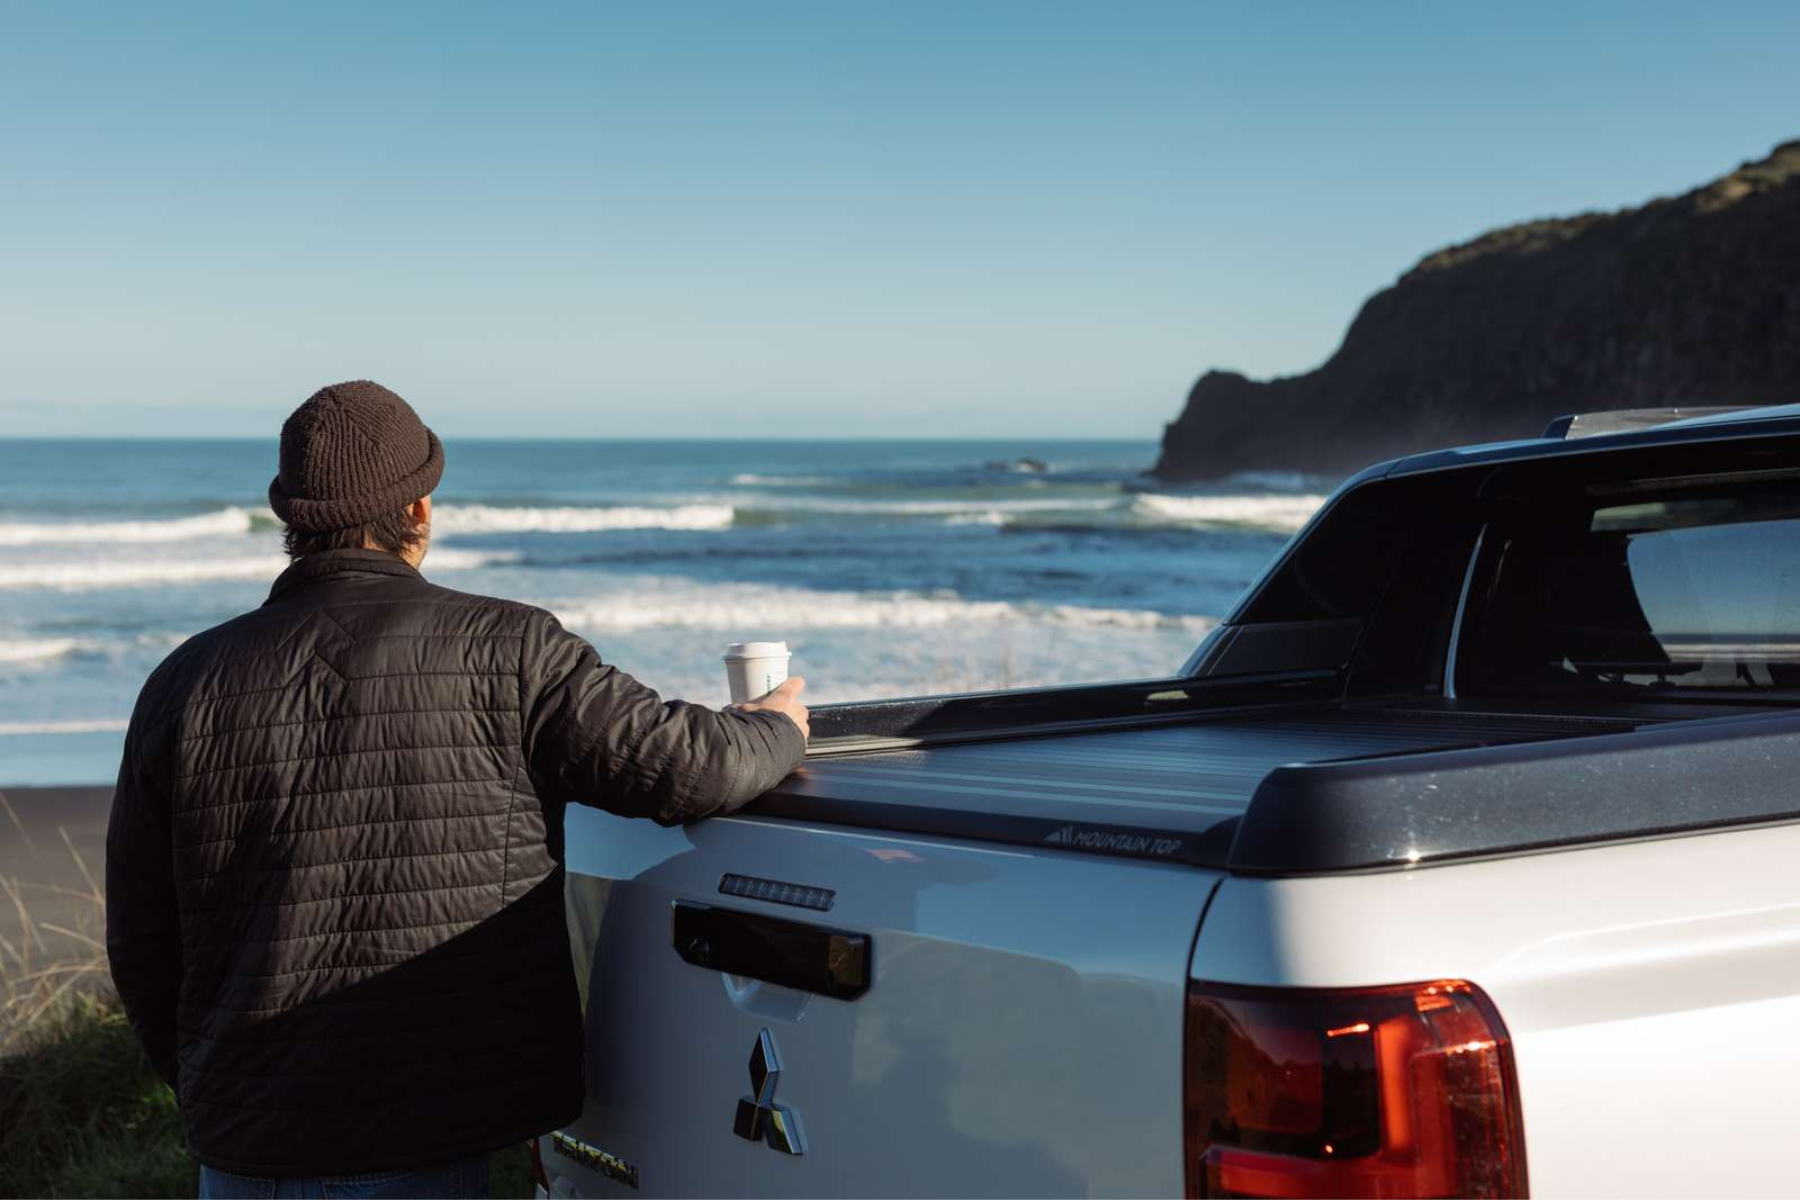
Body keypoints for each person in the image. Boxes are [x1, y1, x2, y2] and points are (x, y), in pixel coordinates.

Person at [104, 381, 810, 1198]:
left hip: (246, 1146)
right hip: (434, 1133)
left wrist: (204, 1081)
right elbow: (692, 767)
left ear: (290, 519)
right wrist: (778, 725)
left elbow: (141, 939)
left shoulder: (183, 682)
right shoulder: (510, 648)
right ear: (421, 508)